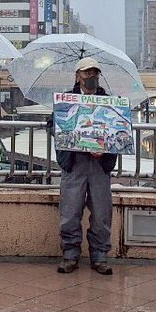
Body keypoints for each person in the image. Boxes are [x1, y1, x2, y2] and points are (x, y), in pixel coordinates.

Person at [55, 58, 116, 275]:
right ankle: (70, 255)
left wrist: (104, 149)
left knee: (101, 213)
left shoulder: (109, 102)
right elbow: (53, 124)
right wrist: (67, 133)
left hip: (100, 164)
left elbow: (117, 131)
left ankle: (99, 256)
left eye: (95, 73)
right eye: (87, 72)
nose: (91, 76)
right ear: (77, 76)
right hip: (74, 164)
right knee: (70, 212)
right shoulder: (65, 101)